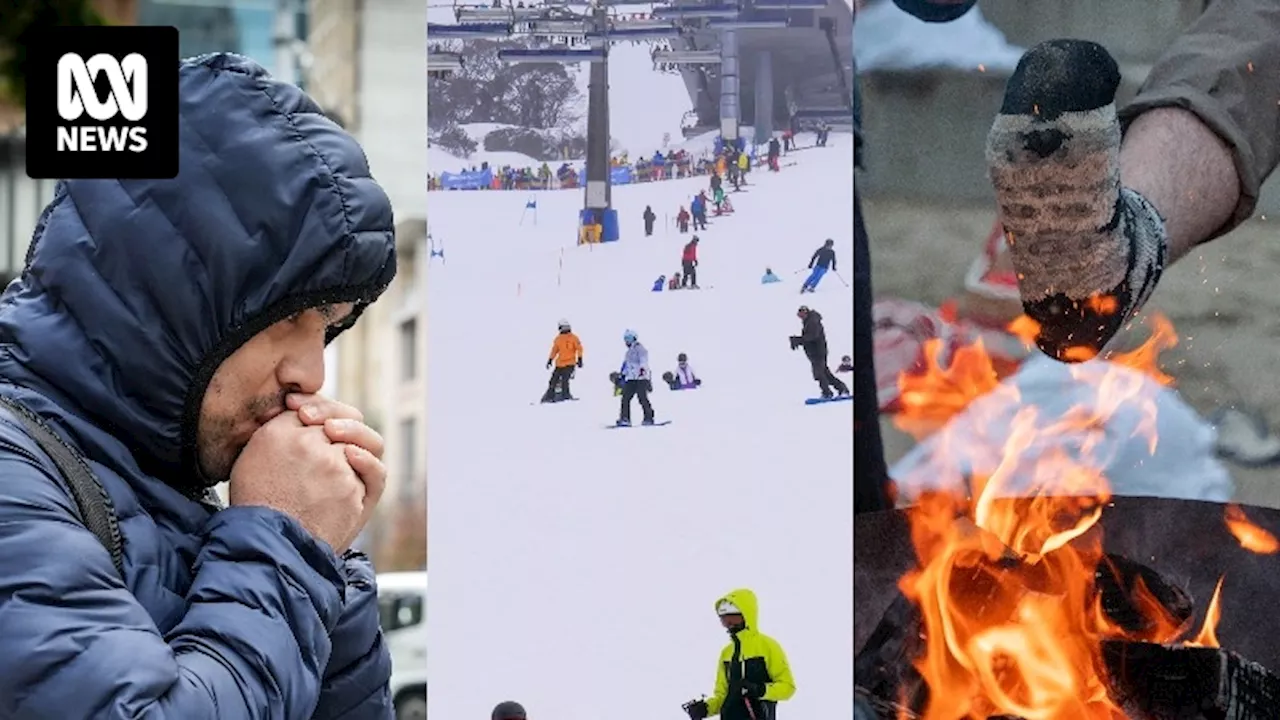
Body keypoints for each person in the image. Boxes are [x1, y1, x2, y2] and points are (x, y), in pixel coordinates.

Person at [0, 53, 396, 717]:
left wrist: (329, 570)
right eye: (286, 317)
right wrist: (285, 543)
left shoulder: (182, 499)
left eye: (326, 324)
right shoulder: (14, 473)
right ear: (167, 293)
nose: (312, 371)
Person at [682, 589, 796, 720]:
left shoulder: (767, 646)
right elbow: (723, 696)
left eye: (733, 618)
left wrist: (759, 690)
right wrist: (706, 708)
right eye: (724, 620)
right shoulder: (727, 653)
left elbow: (787, 687)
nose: (729, 624)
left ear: (747, 615)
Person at [791, 306, 850, 399]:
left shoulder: (813, 322)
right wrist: (799, 341)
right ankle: (842, 389)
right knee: (825, 373)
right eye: (799, 315)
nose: (800, 317)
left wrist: (798, 340)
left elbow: (812, 336)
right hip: (815, 353)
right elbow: (809, 338)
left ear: (805, 313)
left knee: (819, 373)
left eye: (801, 315)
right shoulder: (809, 321)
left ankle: (827, 393)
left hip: (818, 352)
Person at [617, 330, 655, 426]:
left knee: (642, 397)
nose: (627, 341)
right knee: (625, 398)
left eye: (629, 339)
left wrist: (642, 369)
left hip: (641, 378)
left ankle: (649, 417)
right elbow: (627, 365)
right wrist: (622, 375)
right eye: (625, 339)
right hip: (631, 378)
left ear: (634, 338)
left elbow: (644, 360)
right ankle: (625, 418)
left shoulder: (640, 348)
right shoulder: (628, 352)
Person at [542, 319, 583, 403]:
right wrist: (550, 360)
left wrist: (580, 359)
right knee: (553, 380)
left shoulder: (573, 338)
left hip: (570, 363)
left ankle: (566, 396)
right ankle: (549, 397)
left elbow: (579, 348)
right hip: (559, 364)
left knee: (565, 380)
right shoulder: (558, 339)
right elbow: (554, 350)